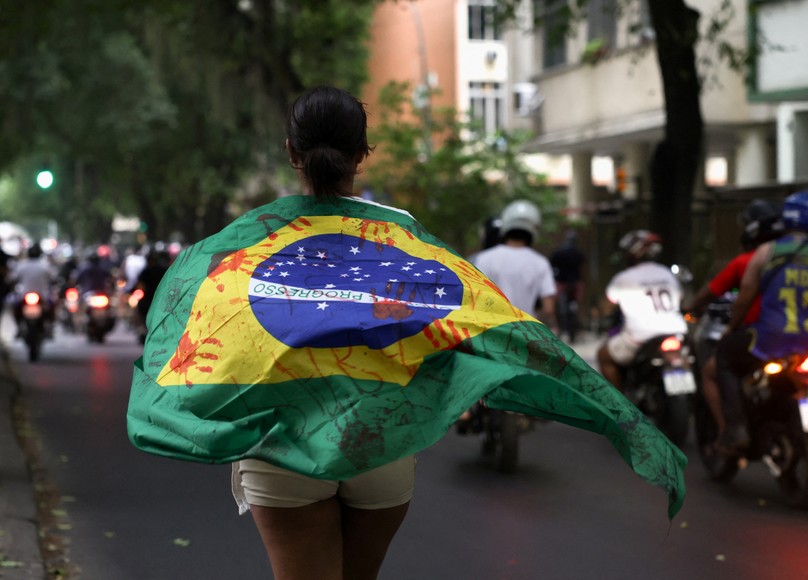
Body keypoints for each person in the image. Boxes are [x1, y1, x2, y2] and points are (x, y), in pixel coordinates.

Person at [128, 86, 687, 580]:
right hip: (381, 443)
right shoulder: (404, 238)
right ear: (363, 155)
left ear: (291, 154)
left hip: (279, 442)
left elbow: (196, 326)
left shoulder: (239, 246)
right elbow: (475, 316)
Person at [715, 190, 808, 452]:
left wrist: (731, 328)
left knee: (725, 357)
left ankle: (736, 428)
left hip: (774, 340)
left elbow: (744, 298)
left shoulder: (768, 252)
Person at [686, 199, 783, 436]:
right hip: (807, 337)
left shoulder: (751, 260)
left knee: (716, 368)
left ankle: (731, 431)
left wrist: (730, 327)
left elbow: (739, 299)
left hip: (760, 335)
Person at [596, 230, 687, 392]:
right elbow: (681, 299)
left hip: (640, 337)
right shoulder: (667, 273)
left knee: (603, 356)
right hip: (677, 331)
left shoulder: (623, 278)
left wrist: (600, 312)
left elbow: (607, 306)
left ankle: (621, 408)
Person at [473, 199, 557, 327]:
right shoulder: (540, 262)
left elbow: (474, 300)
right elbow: (549, 308)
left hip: (490, 333)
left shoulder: (483, 259)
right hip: (525, 334)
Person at [550, 231, 585, 343]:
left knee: (557, 306)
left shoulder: (559, 253)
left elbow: (552, 267)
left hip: (562, 283)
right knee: (576, 306)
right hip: (575, 283)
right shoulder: (578, 254)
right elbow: (582, 269)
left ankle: (559, 329)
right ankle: (575, 329)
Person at [11, 245, 56, 332]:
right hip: (42, 295)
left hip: (25, 294)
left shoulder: (22, 265)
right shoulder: (45, 266)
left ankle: (19, 327)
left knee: (15, 307)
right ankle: (50, 325)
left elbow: (13, 278)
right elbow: (53, 278)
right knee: (51, 306)